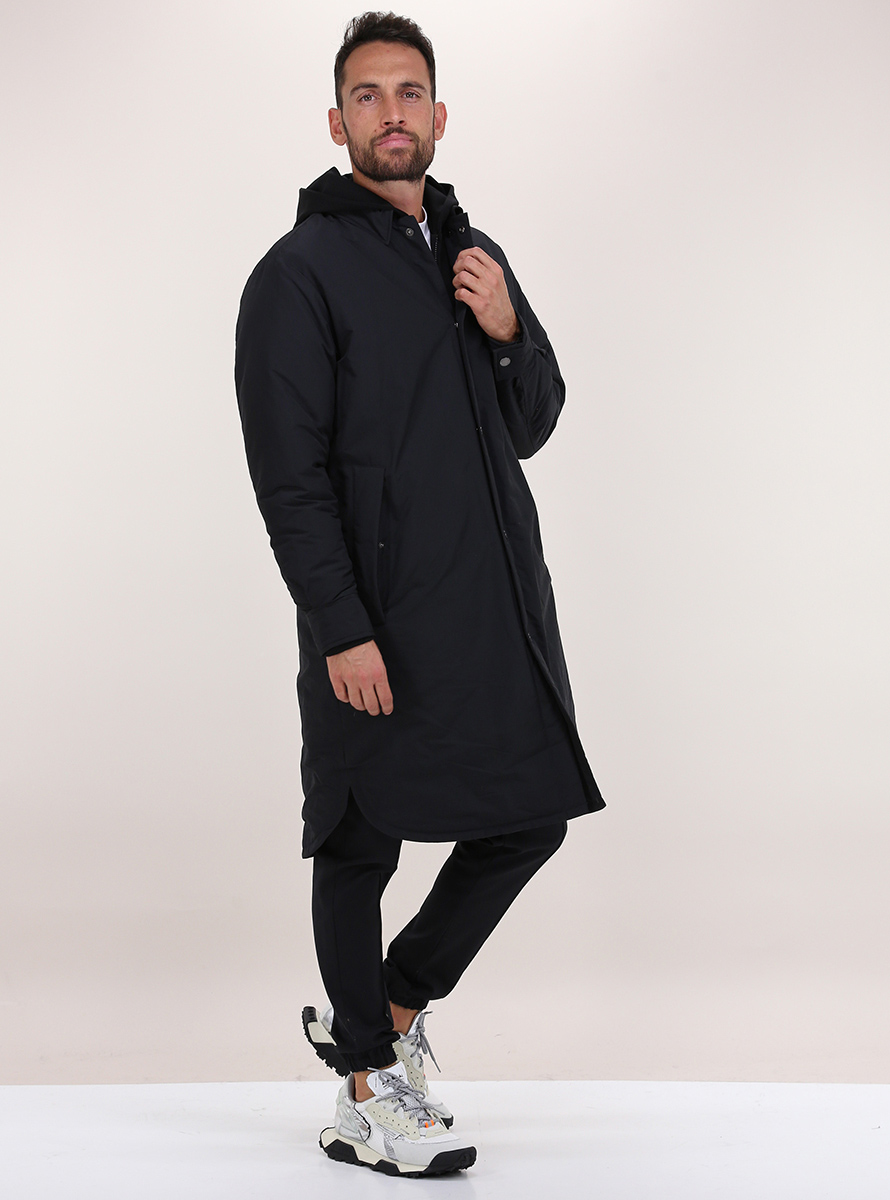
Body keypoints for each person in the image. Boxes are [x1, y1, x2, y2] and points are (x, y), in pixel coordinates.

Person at [235, 10, 605, 1178]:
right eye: (367, 94)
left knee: (529, 814)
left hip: (489, 607)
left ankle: (382, 1012)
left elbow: (532, 420)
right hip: (374, 617)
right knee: (359, 839)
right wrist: (339, 626)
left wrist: (504, 326)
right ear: (335, 122)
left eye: (408, 93)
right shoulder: (296, 275)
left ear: (438, 116)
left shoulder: (470, 253)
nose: (390, 113)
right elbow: (288, 478)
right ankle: (364, 1094)